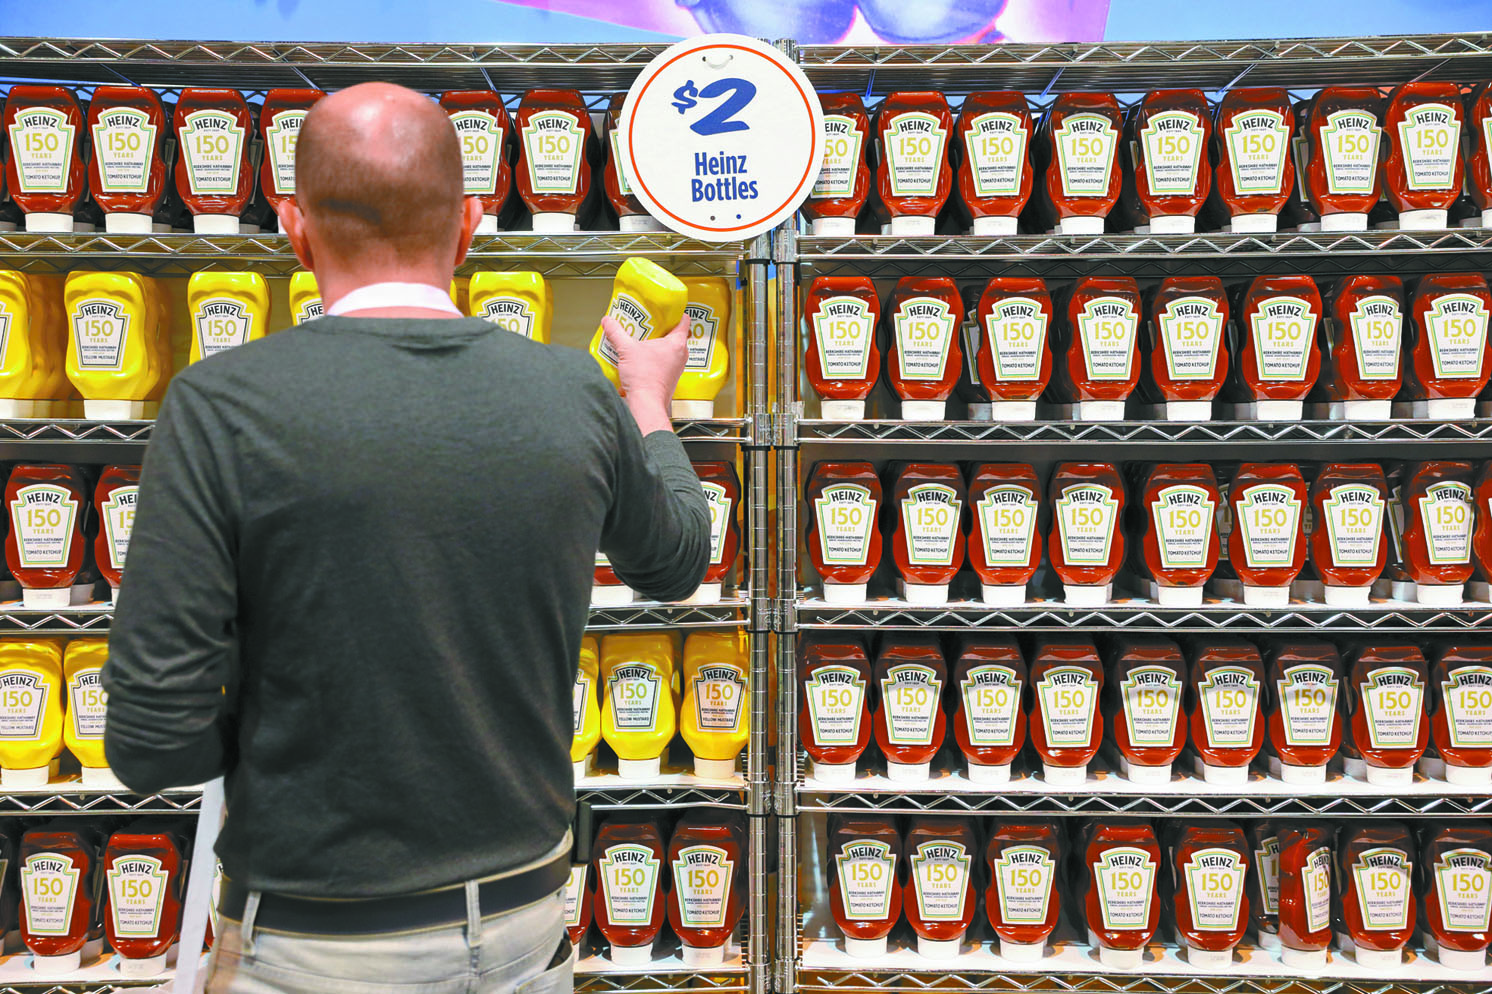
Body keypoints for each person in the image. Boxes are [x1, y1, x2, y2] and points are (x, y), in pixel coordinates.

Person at [102, 81, 711, 994]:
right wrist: (649, 403)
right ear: (469, 223)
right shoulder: (573, 395)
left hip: (307, 947)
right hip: (522, 929)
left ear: (295, 228)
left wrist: (279, 731)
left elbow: (153, 743)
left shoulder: (220, 405)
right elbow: (677, 560)